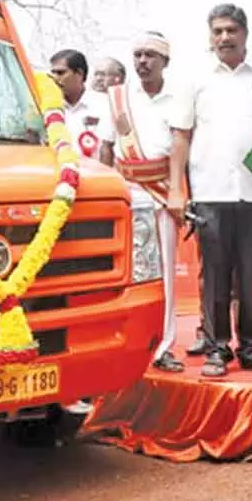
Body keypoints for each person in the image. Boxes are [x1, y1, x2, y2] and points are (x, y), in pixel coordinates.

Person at [167, 5, 252, 378]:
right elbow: (181, 135)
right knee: (215, 276)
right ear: (209, 36)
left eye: (231, 30)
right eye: (217, 31)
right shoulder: (195, 77)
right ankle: (218, 350)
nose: (224, 38)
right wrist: (175, 189)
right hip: (210, 191)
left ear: (245, 33)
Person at [109, 31, 185, 373]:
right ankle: (123, 344)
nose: (142, 61)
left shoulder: (178, 97)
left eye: (150, 55)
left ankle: (164, 345)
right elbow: (106, 150)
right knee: (126, 276)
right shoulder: (117, 99)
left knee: (165, 274)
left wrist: (177, 195)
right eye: (137, 54)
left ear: (165, 61)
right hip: (127, 195)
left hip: (162, 193)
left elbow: (182, 149)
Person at [50, 49, 115, 166]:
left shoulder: (106, 105)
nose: (54, 78)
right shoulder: (48, 108)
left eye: (60, 73)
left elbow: (109, 149)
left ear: (79, 73)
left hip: (95, 178)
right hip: (59, 178)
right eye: (52, 73)